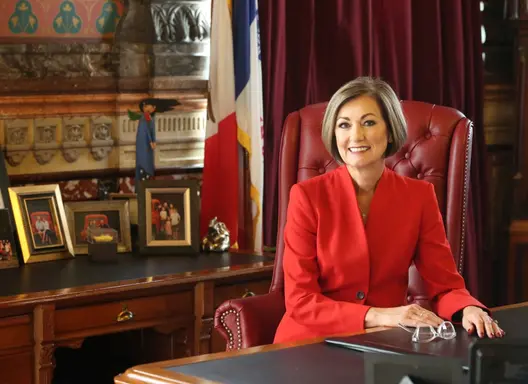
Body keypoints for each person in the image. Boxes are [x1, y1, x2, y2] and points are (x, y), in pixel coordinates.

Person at [273, 77, 504, 344]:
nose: (355, 136)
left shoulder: (419, 197)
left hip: (383, 345)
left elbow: (445, 285)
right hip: (309, 345)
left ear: (391, 131)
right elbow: (301, 302)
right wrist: (381, 315)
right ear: (333, 134)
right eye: (344, 125)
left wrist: (468, 308)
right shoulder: (306, 197)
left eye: (368, 122)